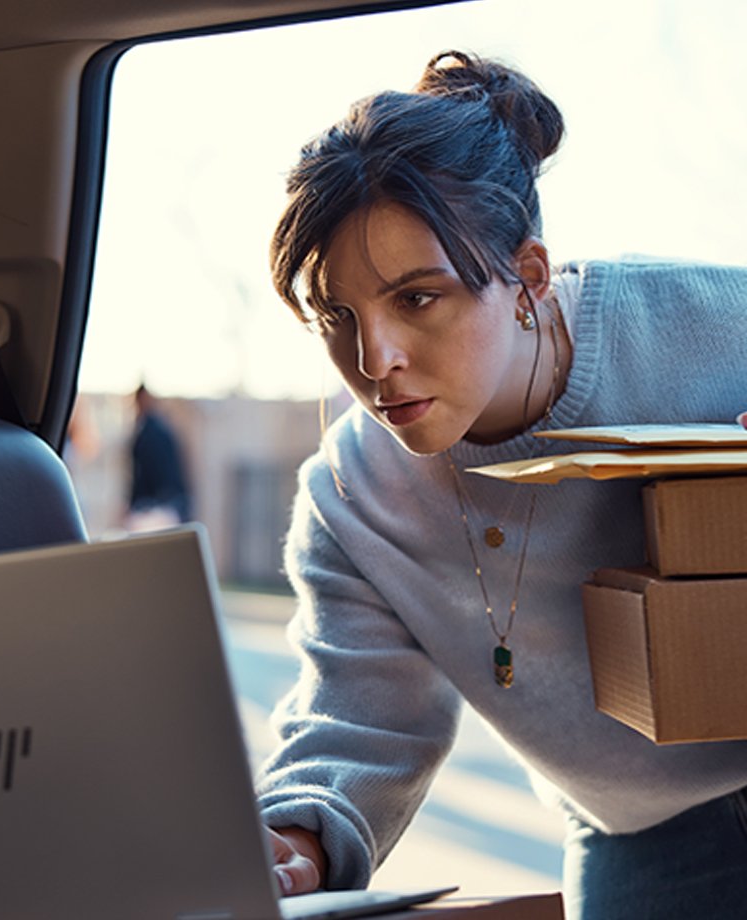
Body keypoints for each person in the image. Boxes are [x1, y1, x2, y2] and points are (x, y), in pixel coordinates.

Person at [255, 50, 747, 920]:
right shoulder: (350, 500)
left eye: (417, 299)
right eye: (338, 317)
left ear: (526, 275)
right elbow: (360, 719)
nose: (374, 363)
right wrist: (292, 847)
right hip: (642, 833)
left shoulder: (714, 323)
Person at [125, 383, 192, 531]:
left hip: (158, 507)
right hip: (164, 505)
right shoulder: (157, 430)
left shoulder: (151, 433)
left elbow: (144, 475)